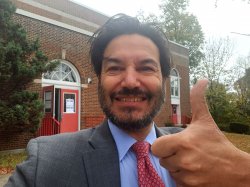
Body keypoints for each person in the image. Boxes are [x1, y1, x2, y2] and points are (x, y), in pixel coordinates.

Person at [5, 14, 250, 187]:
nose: (131, 81)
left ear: (164, 79)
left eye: (146, 68)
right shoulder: (47, 161)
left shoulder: (201, 155)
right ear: (99, 78)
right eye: (114, 68)